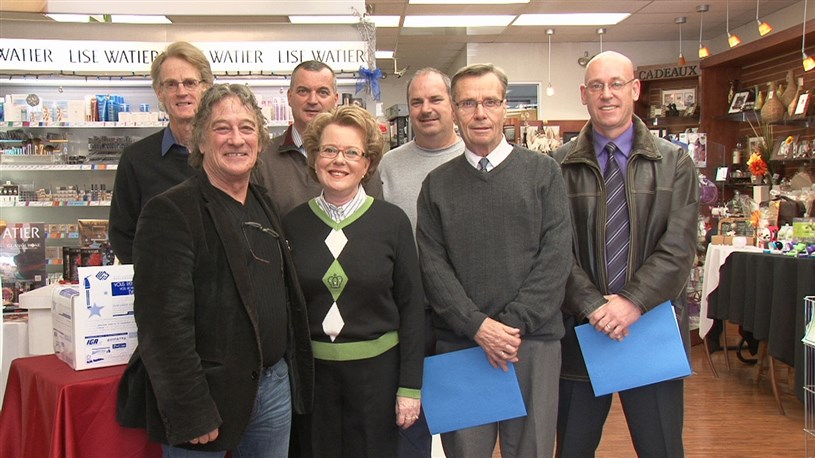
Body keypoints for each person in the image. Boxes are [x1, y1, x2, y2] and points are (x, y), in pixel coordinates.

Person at [116, 84, 314, 457]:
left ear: (260, 140)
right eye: (222, 128)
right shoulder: (172, 211)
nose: (236, 139)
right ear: (201, 140)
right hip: (207, 397)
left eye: (247, 128)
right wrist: (190, 409)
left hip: (272, 387)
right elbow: (162, 327)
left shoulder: (262, 202)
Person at [416, 63, 572, 458]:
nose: (480, 113)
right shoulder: (436, 185)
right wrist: (478, 327)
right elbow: (433, 268)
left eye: (490, 102)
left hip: (531, 344)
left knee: (532, 450)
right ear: (454, 111)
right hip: (462, 345)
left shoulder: (544, 173)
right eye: (468, 103)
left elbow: (556, 257)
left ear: (505, 108)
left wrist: (510, 328)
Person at [553, 51, 699, 457]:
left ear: (635, 89)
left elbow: (679, 248)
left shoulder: (675, 163)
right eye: (597, 85)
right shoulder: (556, 166)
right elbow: (553, 251)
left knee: (661, 448)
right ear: (584, 94)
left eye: (616, 84)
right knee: (572, 450)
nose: (607, 94)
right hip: (581, 332)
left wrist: (631, 302)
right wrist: (593, 306)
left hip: (651, 329)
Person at [282, 105, 424, 458]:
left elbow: (412, 308)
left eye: (351, 152)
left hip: (378, 378)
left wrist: (410, 387)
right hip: (314, 381)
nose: (338, 161)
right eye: (329, 150)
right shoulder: (292, 225)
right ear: (314, 158)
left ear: (367, 163)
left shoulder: (392, 223)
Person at [378, 67, 463, 458]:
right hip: (406, 317)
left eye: (435, 99)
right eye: (417, 101)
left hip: (461, 320)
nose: (426, 109)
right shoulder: (388, 165)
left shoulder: (472, 159)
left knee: (464, 431)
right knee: (409, 427)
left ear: (452, 104)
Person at [109, 41, 213, 264]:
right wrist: (153, 274)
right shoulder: (136, 159)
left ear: (206, 88)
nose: (181, 92)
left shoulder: (225, 153)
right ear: (159, 92)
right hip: (160, 282)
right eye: (171, 84)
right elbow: (121, 234)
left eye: (190, 83)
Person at [253, 60, 382, 218]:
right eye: (303, 91)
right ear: (289, 96)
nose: (313, 100)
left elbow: (375, 218)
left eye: (323, 92)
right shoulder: (263, 157)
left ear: (335, 99)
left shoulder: (359, 157)